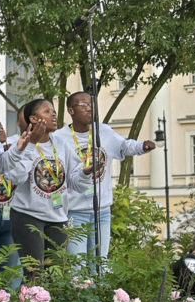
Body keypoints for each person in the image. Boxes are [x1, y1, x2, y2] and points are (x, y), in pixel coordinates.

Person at [60, 91, 155, 271]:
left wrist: (142, 147)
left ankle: (99, 299)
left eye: (92, 105)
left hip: (102, 210)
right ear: (71, 110)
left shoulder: (103, 131)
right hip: (74, 212)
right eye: (84, 105)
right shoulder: (60, 137)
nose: (90, 109)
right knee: (77, 267)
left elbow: (124, 146)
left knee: (100, 265)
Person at [0, 98, 91, 275]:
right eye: (47, 111)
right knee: (35, 274)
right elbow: (16, 177)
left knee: (54, 275)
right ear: (33, 119)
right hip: (28, 215)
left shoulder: (62, 145)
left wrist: (86, 173)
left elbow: (75, 183)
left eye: (53, 111)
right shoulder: (21, 143)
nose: (53, 114)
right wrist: (31, 145)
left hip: (58, 217)